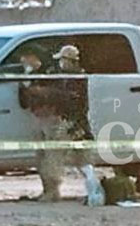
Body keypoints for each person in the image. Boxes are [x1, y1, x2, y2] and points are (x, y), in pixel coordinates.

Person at [18, 44, 91, 201]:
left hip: (70, 123)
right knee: (46, 157)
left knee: (56, 158)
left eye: (63, 60)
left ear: (69, 60)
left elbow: (73, 102)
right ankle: (49, 191)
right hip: (61, 121)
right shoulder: (59, 76)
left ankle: (53, 192)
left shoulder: (77, 78)